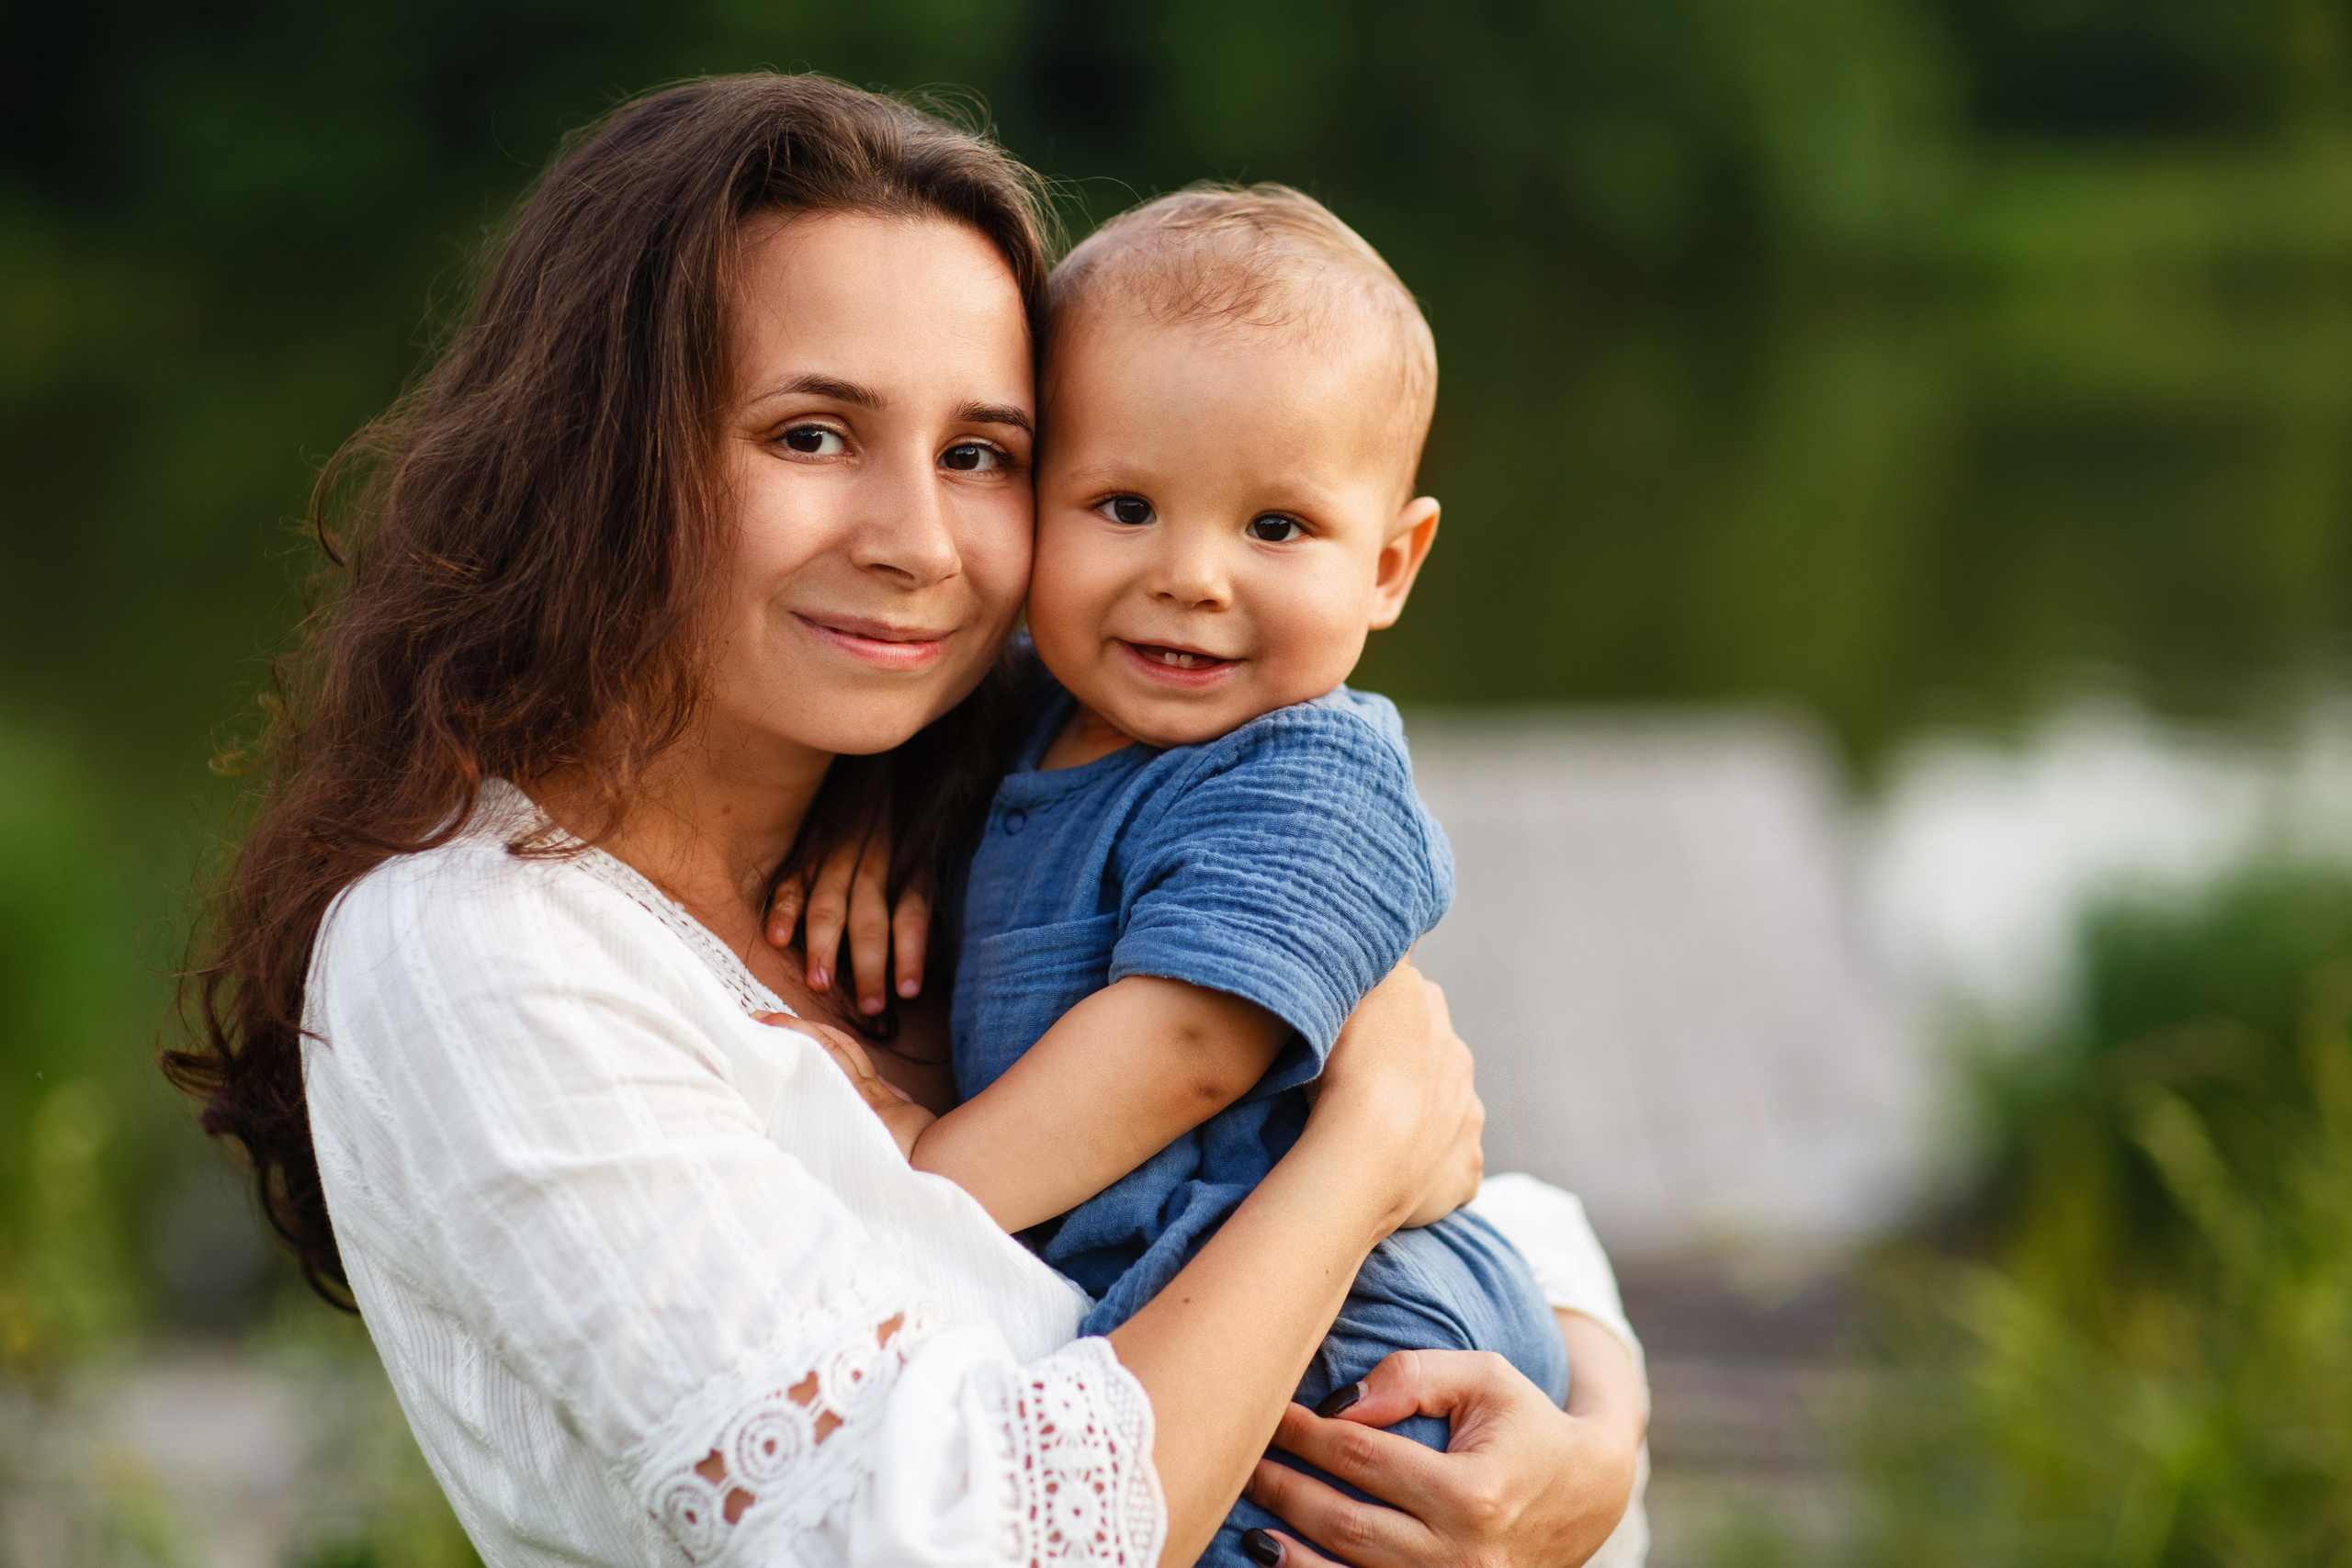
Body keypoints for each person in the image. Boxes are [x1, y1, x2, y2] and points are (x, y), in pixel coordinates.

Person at [164, 73, 1648, 1568]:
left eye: (981, 454)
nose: (917, 543)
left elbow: (1472, 1198)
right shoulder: (479, 950)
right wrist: (1363, 1152)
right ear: (602, 452)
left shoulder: (993, 798)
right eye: (810, 435)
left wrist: (1597, 1442)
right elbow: (954, 1538)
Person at [790, 183, 1560, 1568]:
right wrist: (882, 814)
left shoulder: (1311, 778)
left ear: (1390, 563)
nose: (1190, 578)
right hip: (1175, 1311)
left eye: (1276, 530)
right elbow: (949, 756)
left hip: (1356, 1346)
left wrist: (912, 1180)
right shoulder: (1020, 708)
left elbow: (1193, 1047)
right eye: (1126, 505)